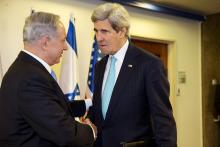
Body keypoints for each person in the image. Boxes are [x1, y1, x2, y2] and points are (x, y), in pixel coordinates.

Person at [87, 3, 177, 147]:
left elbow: (163, 119)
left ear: (122, 31)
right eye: (96, 31)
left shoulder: (149, 64)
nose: (99, 38)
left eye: (104, 31)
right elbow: (104, 112)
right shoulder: (100, 66)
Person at [0, 12, 95, 147]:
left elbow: (53, 106)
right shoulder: (31, 78)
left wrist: (89, 103)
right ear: (45, 43)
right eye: (63, 40)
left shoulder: (25, 69)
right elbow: (64, 133)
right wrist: (91, 131)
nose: (66, 47)